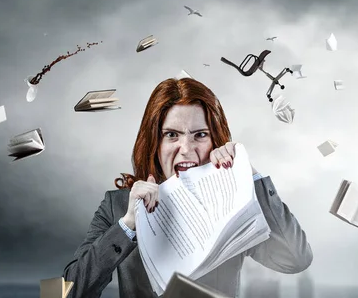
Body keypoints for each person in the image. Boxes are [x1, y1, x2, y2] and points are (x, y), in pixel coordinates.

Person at [63, 77, 313, 298]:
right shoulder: (116, 206)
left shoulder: (234, 204)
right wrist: (127, 226)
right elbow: (69, 292)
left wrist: (250, 174)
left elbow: (295, 259)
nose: (186, 148)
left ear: (216, 139)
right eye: (172, 135)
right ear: (154, 142)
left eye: (200, 135)